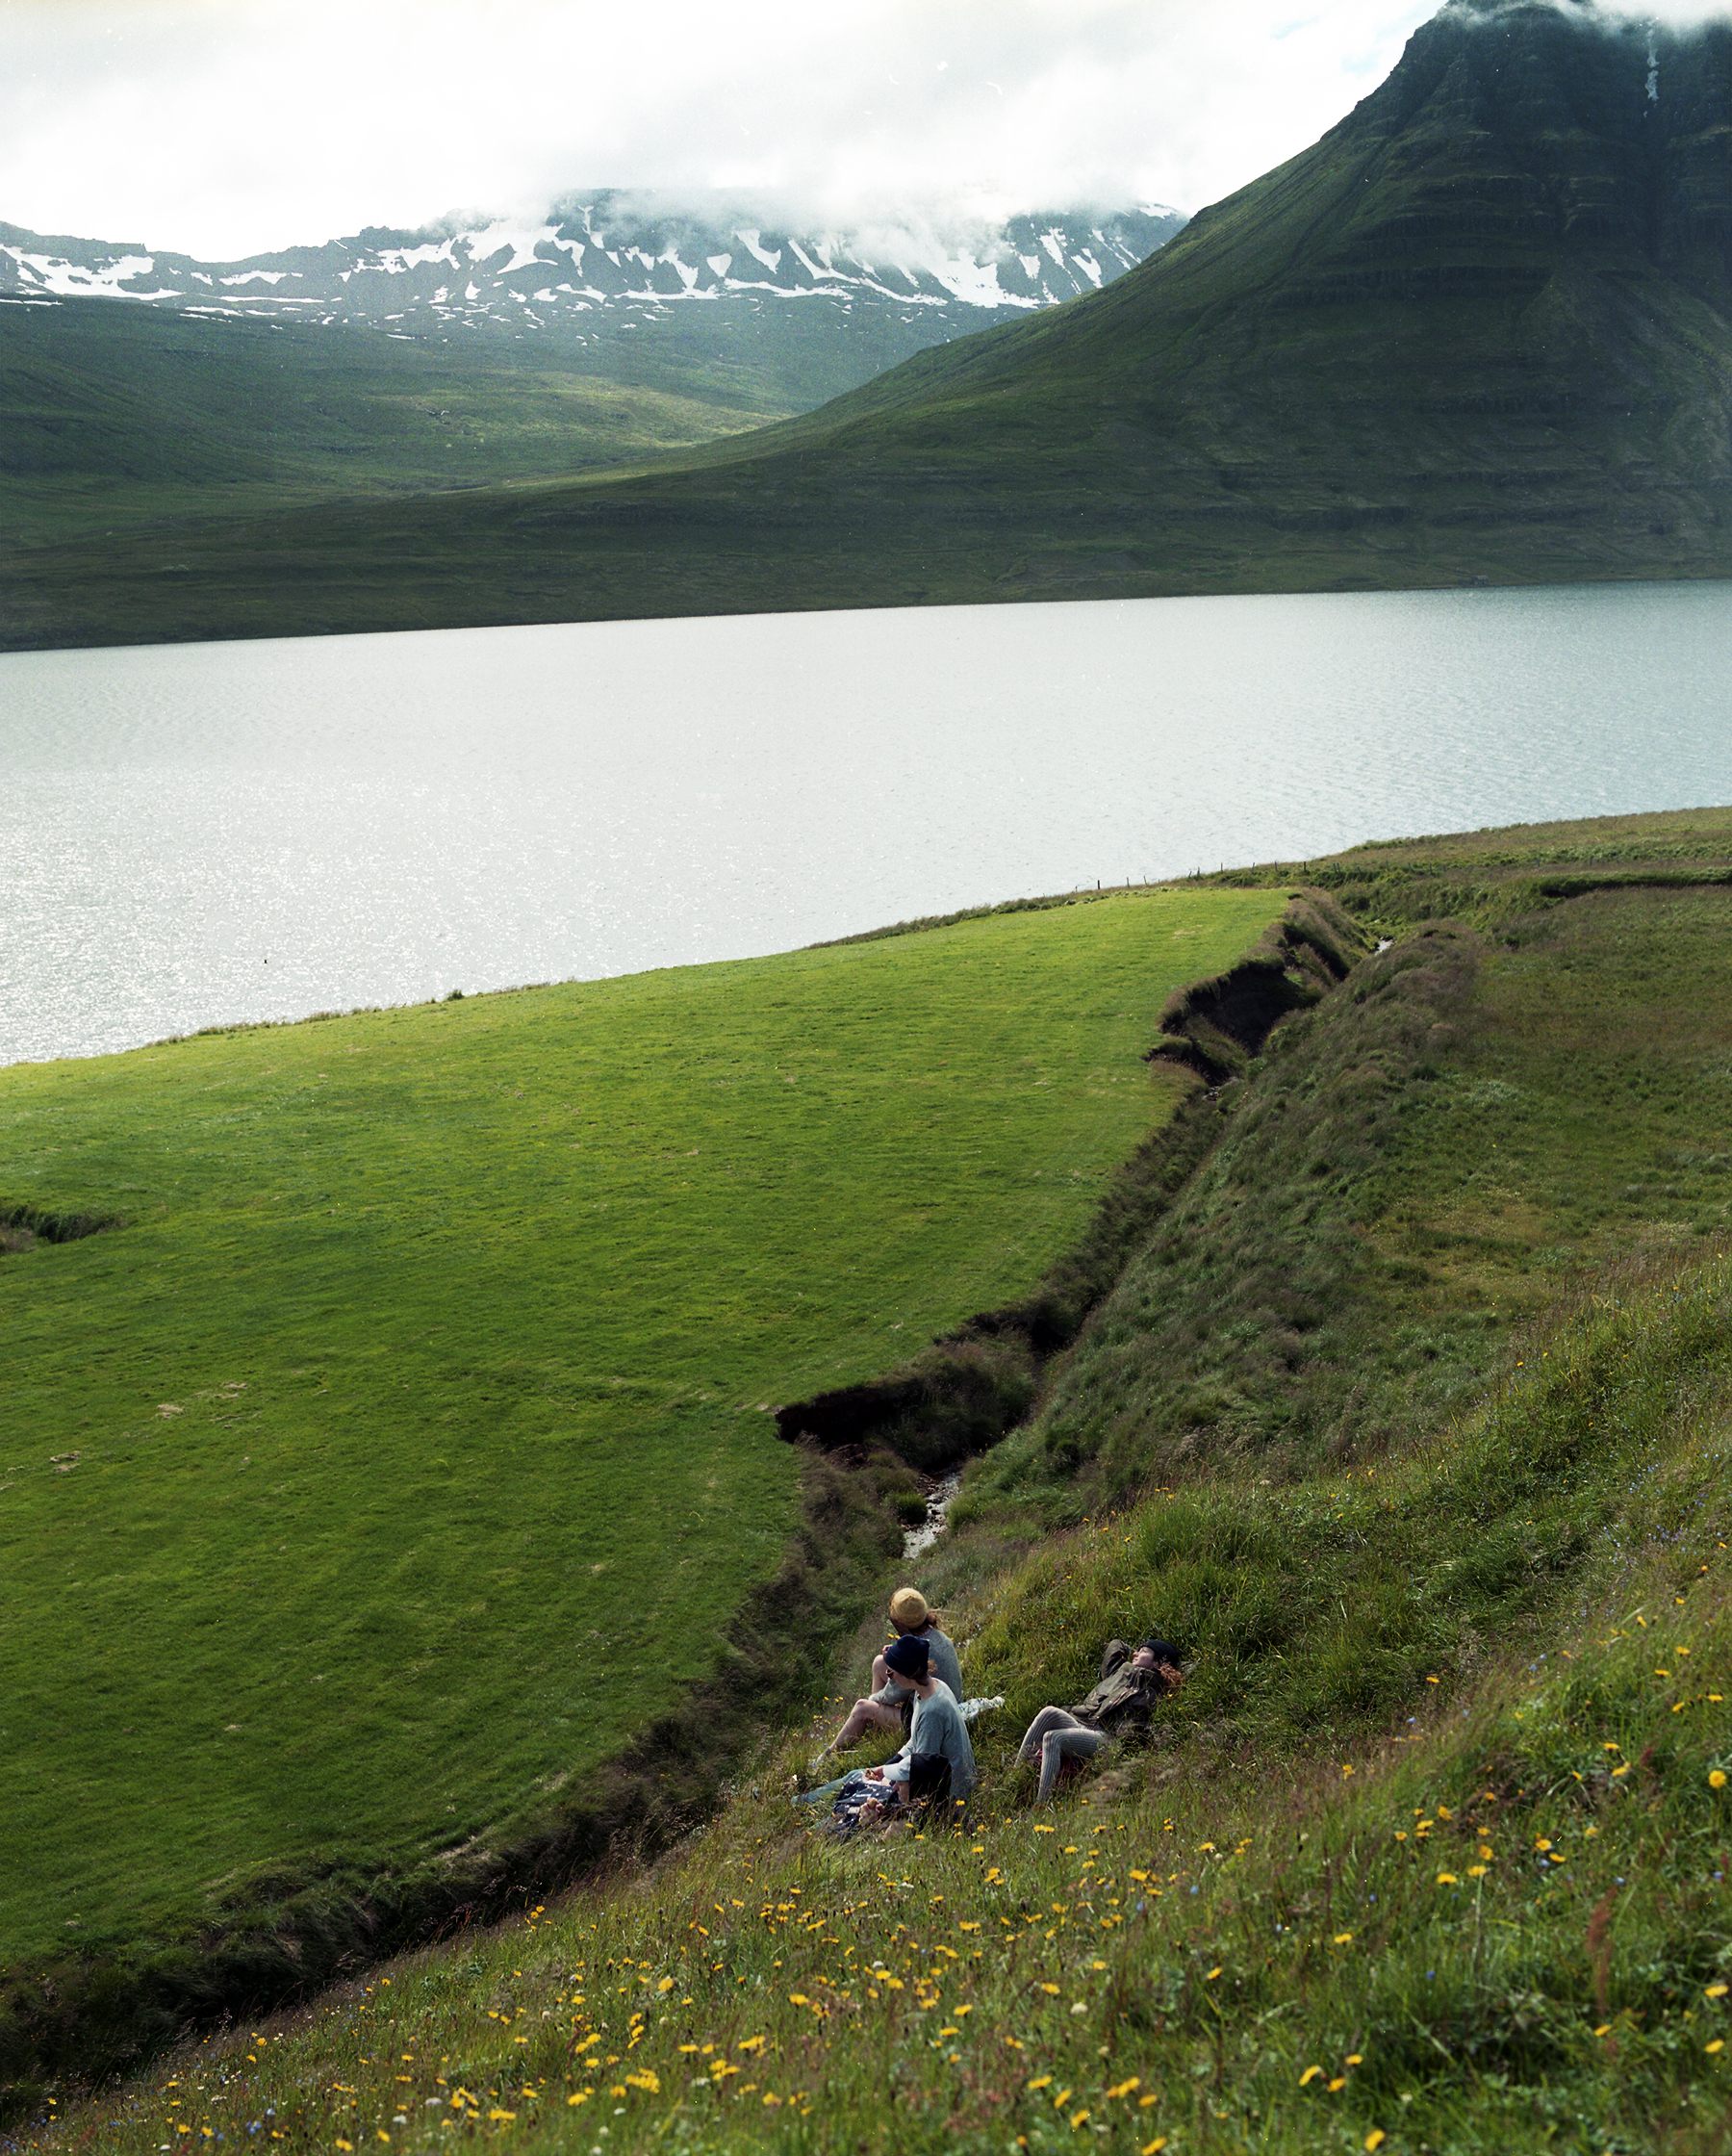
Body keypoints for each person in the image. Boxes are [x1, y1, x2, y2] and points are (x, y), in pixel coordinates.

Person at [1016, 1637, 1184, 1805]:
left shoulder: (1157, 1690)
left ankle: (1041, 1805)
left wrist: (1164, 1665)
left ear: (1158, 1663)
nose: (1135, 1653)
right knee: (1048, 1712)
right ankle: (1015, 1776)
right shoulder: (1120, 1672)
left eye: (1144, 1651)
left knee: (1053, 1738)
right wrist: (1143, 1656)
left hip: (1108, 1737)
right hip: (1086, 1722)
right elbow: (1116, 1644)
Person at [819, 1586, 963, 1757]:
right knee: (880, 1663)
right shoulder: (936, 1637)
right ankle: (877, 1726)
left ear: (898, 1622)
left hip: (930, 1719)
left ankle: (828, 1755)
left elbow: (892, 1695)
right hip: (949, 1705)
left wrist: (872, 1702)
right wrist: (893, 1660)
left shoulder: (913, 1655)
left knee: (861, 1708)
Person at [855, 1634, 974, 1826]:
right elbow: (915, 1742)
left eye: (891, 1673)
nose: (890, 1677)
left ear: (906, 1674)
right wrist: (886, 1767)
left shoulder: (932, 1712)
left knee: (857, 1781)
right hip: (941, 1777)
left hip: (951, 1791)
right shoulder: (933, 1688)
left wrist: (889, 1785)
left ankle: (802, 1801)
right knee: (861, 1776)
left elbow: (923, 1770)